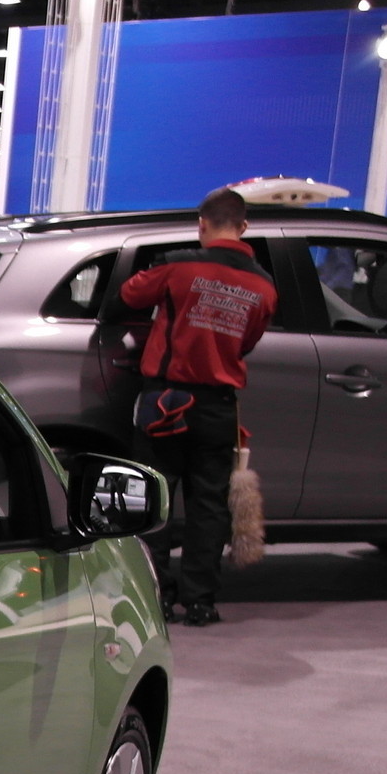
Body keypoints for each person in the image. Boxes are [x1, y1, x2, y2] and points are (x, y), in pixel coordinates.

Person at [118, 186, 278, 626]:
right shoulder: (264, 285)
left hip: (166, 402)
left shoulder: (178, 265)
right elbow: (247, 341)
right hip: (218, 408)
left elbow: (129, 296)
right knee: (209, 505)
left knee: (156, 500)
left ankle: (156, 596)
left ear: (202, 224)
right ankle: (201, 601)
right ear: (244, 227)